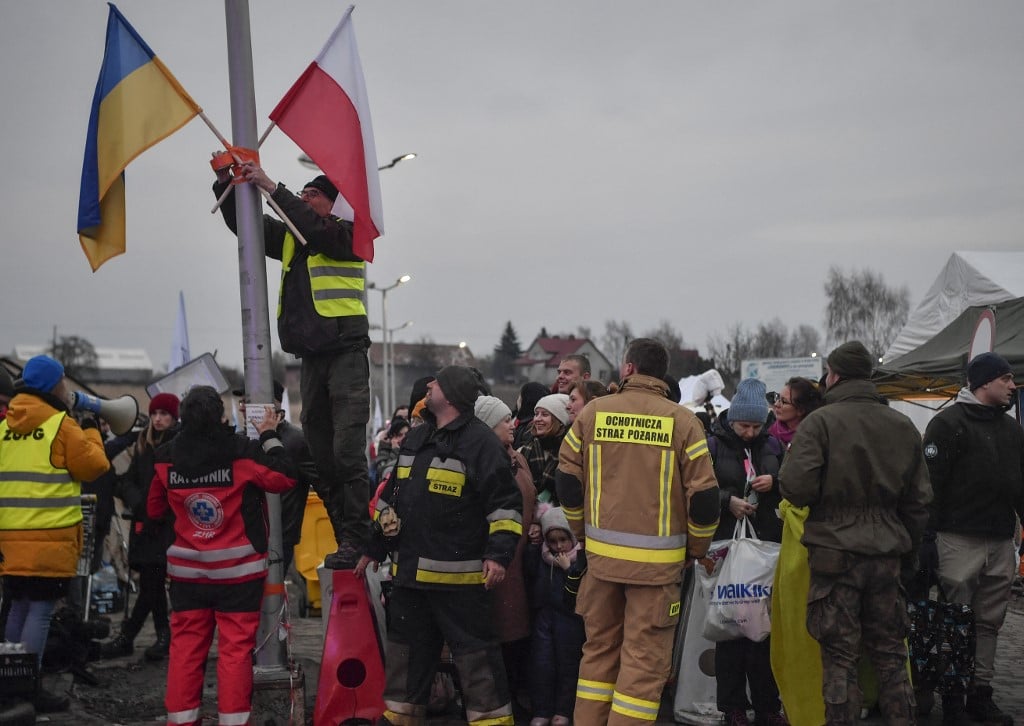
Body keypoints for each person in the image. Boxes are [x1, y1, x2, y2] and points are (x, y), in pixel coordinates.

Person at [213, 160, 370, 570]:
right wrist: (225, 186)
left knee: (347, 453)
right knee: (322, 455)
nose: (302, 199)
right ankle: (347, 540)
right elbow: (247, 225)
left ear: (333, 205)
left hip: (347, 355)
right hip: (313, 359)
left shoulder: (347, 233)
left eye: (311, 194)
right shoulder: (292, 235)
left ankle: (359, 538)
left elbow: (316, 230)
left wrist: (272, 186)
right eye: (299, 194)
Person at [556, 338, 721, 725]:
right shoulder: (684, 422)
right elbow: (705, 500)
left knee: (598, 657)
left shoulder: (593, 414)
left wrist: (582, 533)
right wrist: (696, 550)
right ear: (660, 373)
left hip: (601, 566)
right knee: (643, 666)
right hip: (658, 572)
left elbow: (566, 480)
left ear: (628, 368)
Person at [358, 366, 523, 726]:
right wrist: (375, 547)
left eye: (435, 383)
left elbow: (506, 509)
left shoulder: (481, 444)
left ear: (449, 395)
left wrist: (498, 557)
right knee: (406, 667)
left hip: (460, 588)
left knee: (478, 667)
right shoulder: (417, 440)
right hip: (410, 583)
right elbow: (393, 502)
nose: (428, 386)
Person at [779, 341, 932, 725]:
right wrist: (907, 551)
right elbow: (919, 501)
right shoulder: (901, 424)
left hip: (835, 556)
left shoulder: (821, 422)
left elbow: (796, 487)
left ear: (833, 375)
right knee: (891, 654)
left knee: (840, 658)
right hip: (886, 556)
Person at [148, 385, 296, 726]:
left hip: (187, 573)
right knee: (234, 652)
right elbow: (285, 475)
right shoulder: (241, 452)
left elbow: (154, 509)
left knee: (185, 650)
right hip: (238, 574)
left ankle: (181, 720)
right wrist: (270, 434)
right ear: (220, 415)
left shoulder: (165, 458)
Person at [0, 355, 110, 713]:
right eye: (63, 382)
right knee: (41, 611)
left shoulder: (4, 427)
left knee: (17, 607)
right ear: (53, 385)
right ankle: (30, 688)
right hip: (47, 539)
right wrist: (92, 429)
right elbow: (95, 466)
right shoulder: (60, 425)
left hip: (8, 540)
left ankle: (9, 683)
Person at [921, 351, 1022, 725]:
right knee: (955, 620)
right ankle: (952, 699)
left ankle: (981, 693)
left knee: (989, 622)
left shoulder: (1012, 430)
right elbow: (930, 486)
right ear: (983, 383)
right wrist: (927, 539)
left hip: (999, 539)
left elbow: (1020, 486)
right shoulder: (947, 424)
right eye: (1006, 379)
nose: (1013, 386)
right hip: (957, 538)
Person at [708, 379, 785, 726]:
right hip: (728, 547)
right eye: (744, 426)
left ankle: (768, 706)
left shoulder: (774, 445)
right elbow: (701, 488)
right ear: (732, 420)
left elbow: (792, 482)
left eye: (756, 426)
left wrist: (775, 482)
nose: (751, 433)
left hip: (766, 546)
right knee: (731, 630)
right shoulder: (712, 445)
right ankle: (733, 708)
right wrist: (728, 501)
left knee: (763, 632)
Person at [100, 392, 181, 662]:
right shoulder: (143, 444)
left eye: (164, 414)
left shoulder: (176, 445)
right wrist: (138, 501)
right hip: (145, 525)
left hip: (164, 527)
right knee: (152, 582)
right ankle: (162, 636)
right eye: (155, 414)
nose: (158, 419)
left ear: (174, 417)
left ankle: (130, 636)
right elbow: (129, 480)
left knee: (151, 583)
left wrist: (152, 506)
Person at [475, 394, 536, 717]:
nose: (512, 424)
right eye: (503, 421)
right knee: (504, 638)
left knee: (519, 636)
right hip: (500, 563)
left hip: (523, 559)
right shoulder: (486, 462)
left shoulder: (517, 458)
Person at [234, 381, 318, 573]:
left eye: (248, 402)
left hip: (280, 537)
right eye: (242, 403)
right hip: (244, 535)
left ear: (272, 404)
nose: (243, 409)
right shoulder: (241, 440)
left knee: (271, 592)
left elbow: (325, 486)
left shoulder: (296, 441)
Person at [524, 506, 587, 726]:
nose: (559, 546)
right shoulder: (544, 557)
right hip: (545, 615)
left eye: (563, 540)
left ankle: (563, 710)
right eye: (553, 541)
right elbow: (530, 572)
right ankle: (542, 710)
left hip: (569, 619)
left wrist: (569, 569)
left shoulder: (579, 559)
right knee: (542, 664)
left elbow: (581, 590)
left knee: (568, 666)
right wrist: (533, 548)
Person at [520, 394, 571, 506]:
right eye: (536, 414)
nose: (537, 419)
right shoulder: (524, 450)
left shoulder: (571, 453)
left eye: (545, 414)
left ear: (560, 420)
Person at [767, 377, 824, 450]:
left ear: (801, 410)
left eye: (784, 402)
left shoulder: (813, 438)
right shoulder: (770, 432)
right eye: (778, 398)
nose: (776, 404)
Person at [512, 381, 549, 451]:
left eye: (520, 397)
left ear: (526, 400)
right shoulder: (517, 420)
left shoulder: (532, 428)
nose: (518, 400)